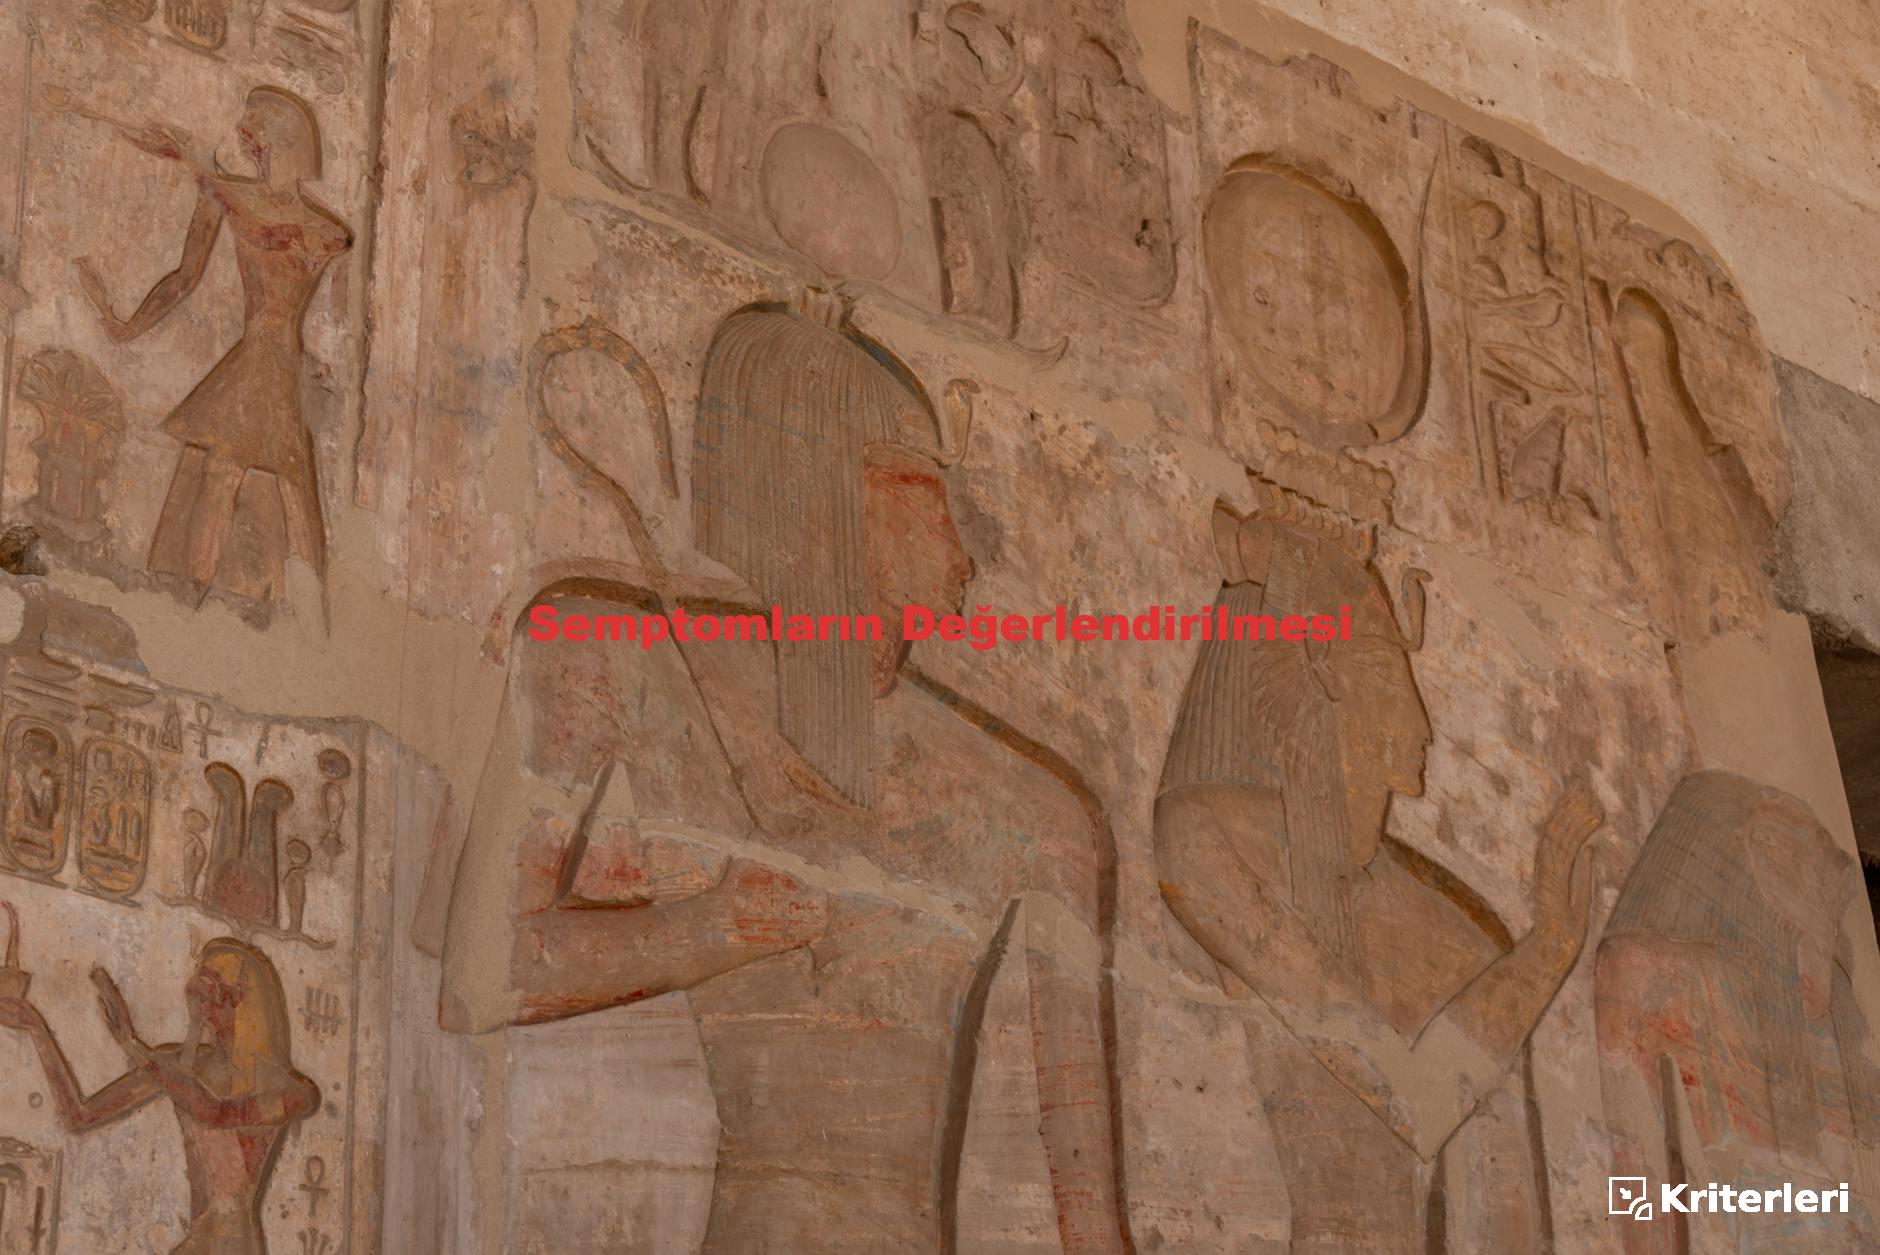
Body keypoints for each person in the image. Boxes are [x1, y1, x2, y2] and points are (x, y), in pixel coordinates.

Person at [443, 294, 1128, 1251]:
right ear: (821, 492)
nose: (965, 546)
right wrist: (717, 927)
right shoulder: (606, 654)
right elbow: (478, 978)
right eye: (925, 491)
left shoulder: (1033, 804)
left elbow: (1091, 1213)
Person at [1154, 494, 1600, 1249]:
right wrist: (1549, 949)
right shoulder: (1202, 837)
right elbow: (1410, 1100)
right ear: (1319, 670)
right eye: (1390, 671)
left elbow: (1505, 1210)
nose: (1422, 723)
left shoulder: (1453, 933)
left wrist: (1546, 948)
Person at [76, 86, 351, 600]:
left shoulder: (319, 229)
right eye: (250, 143)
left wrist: (201, 168)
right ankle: (201, 596)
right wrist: (125, 326)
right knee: (251, 479)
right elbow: (184, 279)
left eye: (258, 142)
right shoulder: (256, 207)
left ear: (281, 146)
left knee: (272, 483)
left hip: (274, 361)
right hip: (261, 357)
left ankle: (227, 600)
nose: (253, 153)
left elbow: (328, 305)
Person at [1598, 771, 1880, 1253]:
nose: (1817, 897)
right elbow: (1634, 1190)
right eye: (1785, 856)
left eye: (1822, 875)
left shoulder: (1826, 1039)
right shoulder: (1648, 977)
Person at [0, 937, 319, 1254]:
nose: (200, 1010)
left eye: (210, 995)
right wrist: (36, 1029)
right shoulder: (181, 1066)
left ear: (240, 1001)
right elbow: (79, 1116)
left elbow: (217, 1113)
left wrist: (133, 1047)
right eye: (196, 995)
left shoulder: (290, 1090)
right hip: (199, 1240)